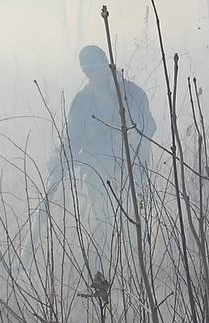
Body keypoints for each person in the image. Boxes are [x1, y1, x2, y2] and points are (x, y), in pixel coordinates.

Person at [35, 45, 156, 245]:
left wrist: (133, 137)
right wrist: (59, 157)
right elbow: (73, 140)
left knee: (134, 231)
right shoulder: (82, 102)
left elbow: (148, 128)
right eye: (87, 70)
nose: (93, 75)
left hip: (133, 175)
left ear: (106, 66)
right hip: (98, 177)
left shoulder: (132, 94)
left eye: (95, 68)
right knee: (103, 230)